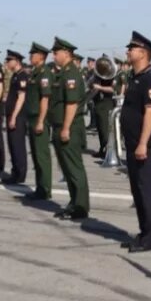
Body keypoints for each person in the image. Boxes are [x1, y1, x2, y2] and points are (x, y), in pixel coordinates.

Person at [120, 31, 151, 253]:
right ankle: (144, 232)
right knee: (137, 190)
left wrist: (143, 143)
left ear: (144, 53)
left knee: (146, 189)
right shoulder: (135, 77)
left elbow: (150, 113)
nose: (128, 51)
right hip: (133, 141)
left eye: (132, 48)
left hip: (144, 144)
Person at [50, 36, 90, 220]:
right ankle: (74, 202)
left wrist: (65, 128)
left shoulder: (71, 74)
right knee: (67, 169)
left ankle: (81, 206)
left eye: (56, 52)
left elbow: (71, 104)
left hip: (70, 127)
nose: (53, 55)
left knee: (74, 168)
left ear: (66, 53)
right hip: (60, 126)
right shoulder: (63, 73)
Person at [24, 42, 54, 200]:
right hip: (32, 117)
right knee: (36, 155)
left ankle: (45, 189)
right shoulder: (35, 73)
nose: (30, 57)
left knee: (42, 155)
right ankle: (39, 187)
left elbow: (45, 98)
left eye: (33, 54)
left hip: (39, 118)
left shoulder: (44, 73)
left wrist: (41, 121)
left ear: (41, 56)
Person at [0, 50, 29, 185]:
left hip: (18, 116)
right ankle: (15, 172)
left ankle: (20, 174)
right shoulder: (15, 76)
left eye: (9, 60)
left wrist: (13, 117)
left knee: (18, 146)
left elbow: (21, 98)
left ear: (16, 61)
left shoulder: (22, 76)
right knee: (12, 145)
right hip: (12, 115)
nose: (7, 63)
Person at [89, 55, 116, 159]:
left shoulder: (111, 75)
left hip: (106, 103)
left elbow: (113, 89)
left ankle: (108, 152)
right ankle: (102, 149)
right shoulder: (98, 75)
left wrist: (100, 87)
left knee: (105, 129)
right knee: (100, 128)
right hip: (99, 103)